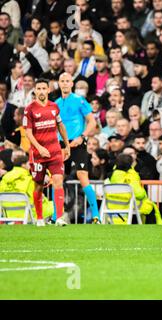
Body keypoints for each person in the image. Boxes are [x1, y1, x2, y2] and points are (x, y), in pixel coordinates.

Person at [24, 78, 70, 227]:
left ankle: (59, 218)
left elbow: (60, 125)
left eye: (44, 88)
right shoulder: (30, 109)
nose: (42, 91)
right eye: (39, 89)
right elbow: (28, 133)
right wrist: (39, 148)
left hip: (55, 152)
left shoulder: (54, 107)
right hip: (38, 155)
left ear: (48, 90)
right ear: (35, 91)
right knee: (38, 186)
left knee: (58, 181)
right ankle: (39, 218)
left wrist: (67, 145)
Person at [56, 73, 99, 224]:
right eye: (62, 81)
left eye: (68, 81)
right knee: (58, 178)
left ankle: (96, 216)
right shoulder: (56, 103)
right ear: (59, 84)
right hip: (62, 143)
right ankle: (57, 216)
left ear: (72, 83)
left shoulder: (80, 100)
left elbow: (92, 121)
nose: (65, 83)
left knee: (82, 176)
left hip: (78, 142)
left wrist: (83, 136)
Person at [107, 153, 162, 225]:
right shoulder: (131, 175)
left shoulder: (112, 175)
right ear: (131, 164)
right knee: (150, 207)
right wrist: (144, 194)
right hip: (128, 204)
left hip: (112, 205)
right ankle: (152, 229)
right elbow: (139, 194)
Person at [0, 153, 53, 221]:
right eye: (29, 164)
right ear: (23, 165)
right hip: (28, 215)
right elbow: (38, 198)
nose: (31, 166)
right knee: (55, 205)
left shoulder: (4, 179)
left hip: (9, 215)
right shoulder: (30, 180)